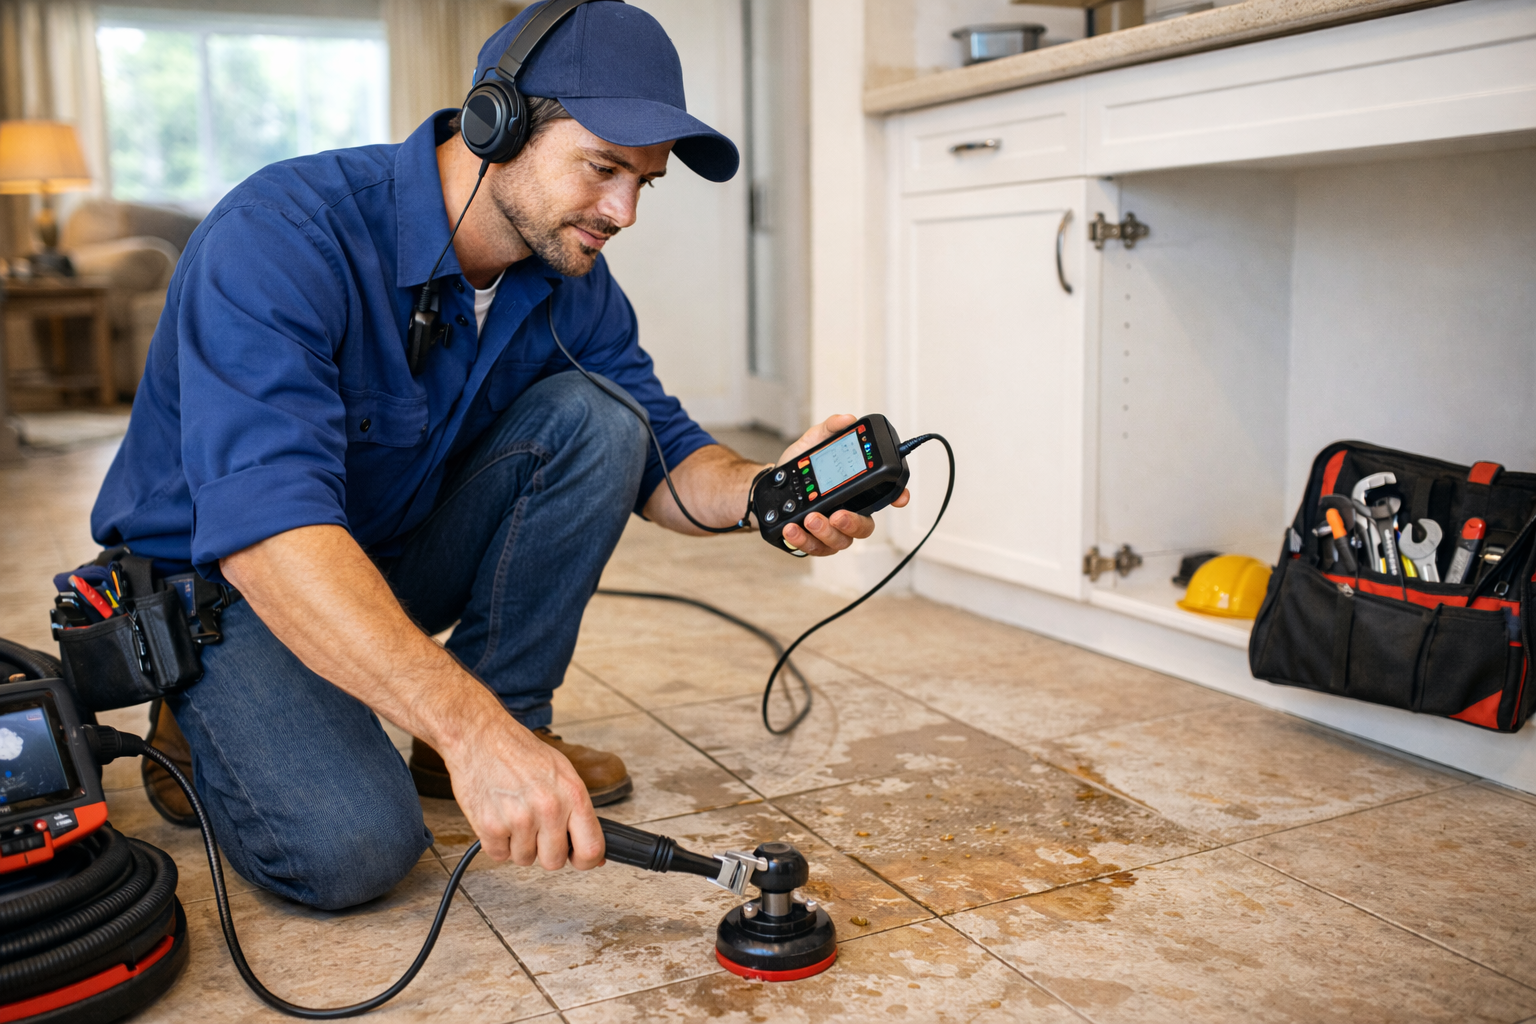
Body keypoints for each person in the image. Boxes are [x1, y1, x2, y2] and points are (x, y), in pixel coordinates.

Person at [90, 0, 906, 911]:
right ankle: (209, 712)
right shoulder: (282, 236)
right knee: (351, 852)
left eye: (645, 182)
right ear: (497, 124)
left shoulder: (568, 277)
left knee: (602, 418)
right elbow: (270, 533)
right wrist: (473, 726)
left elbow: (666, 458)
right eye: (603, 169)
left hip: (381, 557)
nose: (625, 211)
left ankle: (484, 731)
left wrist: (766, 492)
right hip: (232, 586)